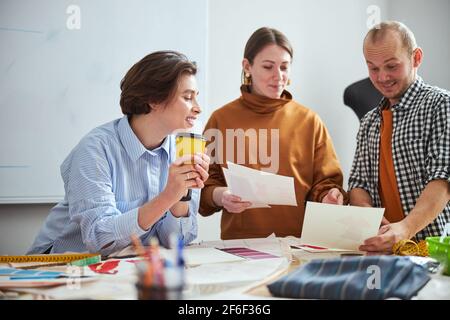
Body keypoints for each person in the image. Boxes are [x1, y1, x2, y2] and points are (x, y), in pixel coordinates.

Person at [28, 51, 210, 255]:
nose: (198, 108)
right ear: (153, 100)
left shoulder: (182, 150)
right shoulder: (95, 149)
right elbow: (99, 239)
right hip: (57, 268)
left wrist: (179, 197)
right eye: (188, 97)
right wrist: (167, 197)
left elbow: (177, 242)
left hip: (125, 268)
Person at [199, 27, 347, 240]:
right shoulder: (221, 120)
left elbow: (326, 183)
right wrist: (221, 196)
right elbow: (201, 186)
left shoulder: (309, 121)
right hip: (238, 248)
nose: (278, 76)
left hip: (298, 246)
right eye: (268, 67)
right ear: (247, 66)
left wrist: (329, 197)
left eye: (284, 67)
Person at [348, 21, 450, 253]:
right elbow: (358, 183)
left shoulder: (441, 105)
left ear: (416, 58)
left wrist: (404, 229)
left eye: (391, 66)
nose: (382, 77)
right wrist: (367, 218)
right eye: (373, 68)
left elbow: (443, 179)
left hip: (433, 250)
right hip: (383, 251)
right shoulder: (369, 121)